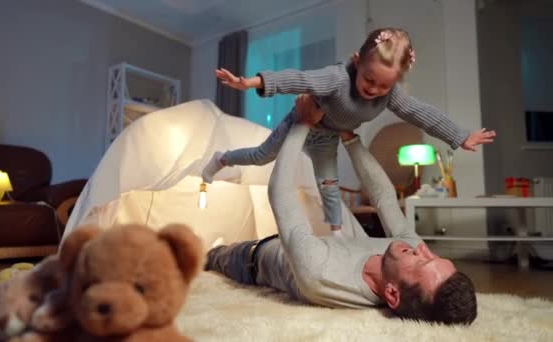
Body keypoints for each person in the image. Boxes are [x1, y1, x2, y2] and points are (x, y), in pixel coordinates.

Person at [204, 95, 478, 325]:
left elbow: (280, 193)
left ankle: (214, 253)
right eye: (433, 255)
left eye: (422, 261)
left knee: (213, 257)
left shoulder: (321, 274)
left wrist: (302, 122)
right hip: (312, 244)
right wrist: (350, 138)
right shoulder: (410, 253)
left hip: (255, 258)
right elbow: (384, 197)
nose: (421, 249)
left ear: (392, 295)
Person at [202, 27, 496, 232]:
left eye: (384, 85)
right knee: (261, 156)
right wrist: (249, 82)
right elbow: (298, 79)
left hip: (328, 137)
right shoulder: (336, 78)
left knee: (329, 183)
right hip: (302, 123)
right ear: (357, 61)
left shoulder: (388, 95)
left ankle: (337, 232)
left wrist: (460, 136)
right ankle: (222, 159)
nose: (374, 89)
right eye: (369, 80)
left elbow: (422, 114)